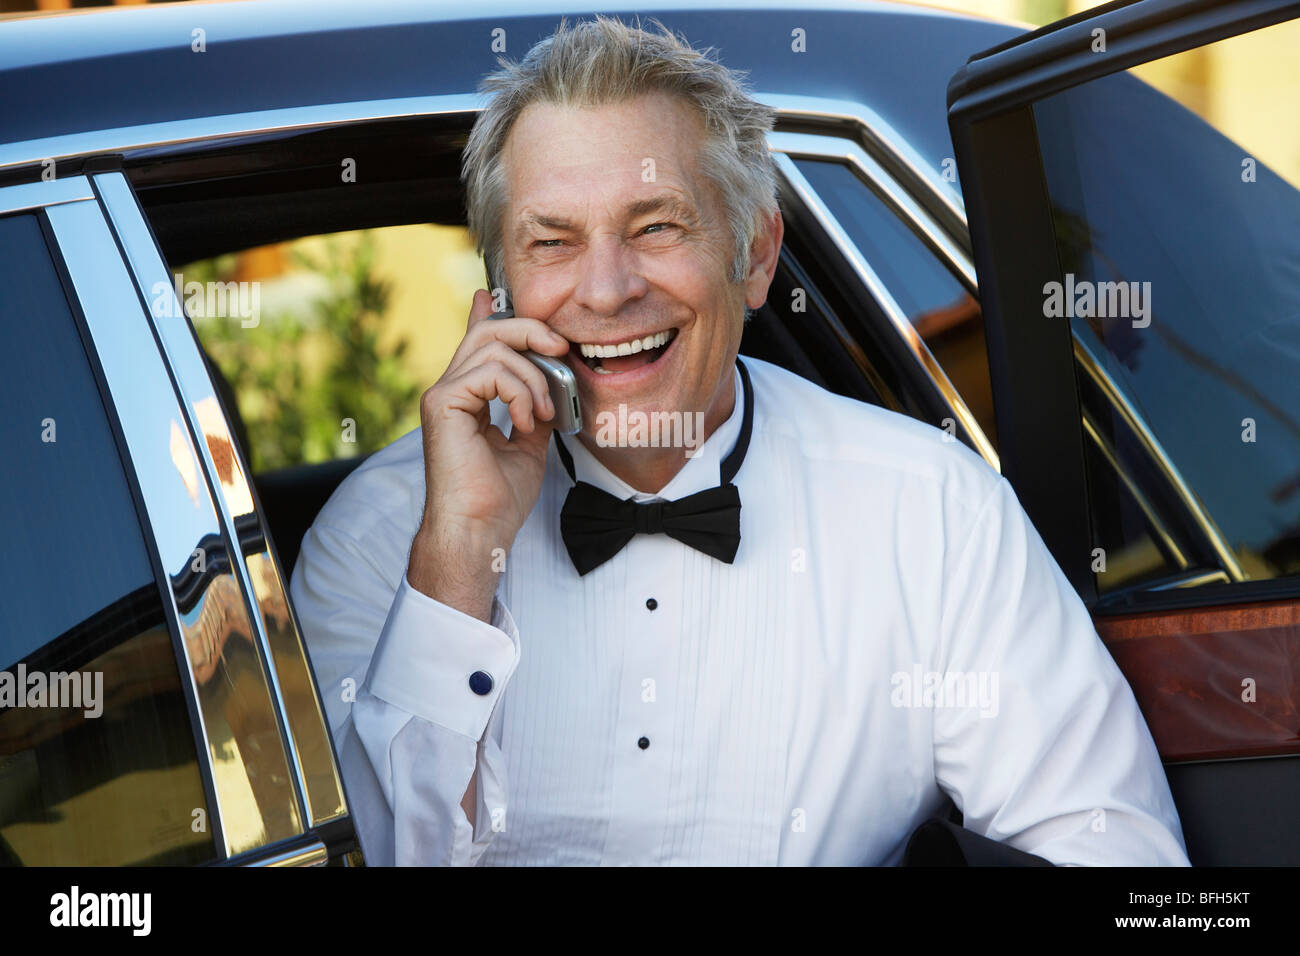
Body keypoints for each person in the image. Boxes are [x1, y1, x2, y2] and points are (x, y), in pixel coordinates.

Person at [290, 16, 1189, 866]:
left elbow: (1115, 858)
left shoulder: (932, 512)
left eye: (656, 226)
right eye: (552, 242)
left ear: (755, 257)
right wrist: (457, 561)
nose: (605, 291)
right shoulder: (376, 538)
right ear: (500, 291)